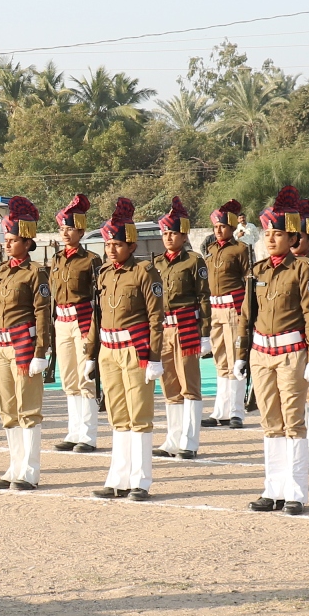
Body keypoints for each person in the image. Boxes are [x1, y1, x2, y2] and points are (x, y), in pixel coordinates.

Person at [246, 189, 309, 514]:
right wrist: (241, 356)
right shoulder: (258, 270)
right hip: (261, 354)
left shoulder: (304, 269)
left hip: (292, 353)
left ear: (292, 235)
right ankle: (273, 488)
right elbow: (246, 316)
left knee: (293, 422)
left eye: (277, 233)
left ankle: (295, 492)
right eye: (267, 233)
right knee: (270, 422)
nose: (271, 239)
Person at [89, 198, 165, 502]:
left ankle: (141, 480)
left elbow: (156, 317)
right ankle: (118, 478)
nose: (111, 248)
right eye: (108, 242)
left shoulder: (145, 272)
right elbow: (97, 315)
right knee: (118, 416)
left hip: (135, 350)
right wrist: (90, 353)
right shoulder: (104, 273)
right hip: (109, 349)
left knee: (140, 416)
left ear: (131, 245)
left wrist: (155, 357)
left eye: (117, 243)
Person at [0, 195, 48, 491]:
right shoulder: (1, 271)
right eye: (5, 239)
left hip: (23, 343)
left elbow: (42, 313)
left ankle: (30, 470)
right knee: (7, 409)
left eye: (11, 239)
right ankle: (14, 466)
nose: (6, 244)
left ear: (26, 242)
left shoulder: (35, 272)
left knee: (28, 408)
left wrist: (41, 351)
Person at [152, 198, 207, 460]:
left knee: (190, 385)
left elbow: (204, 298)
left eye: (173, 232)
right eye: (165, 232)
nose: (168, 237)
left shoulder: (194, 261)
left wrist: (205, 333)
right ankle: (172, 439)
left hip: (186, 326)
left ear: (184, 235)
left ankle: (189, 442)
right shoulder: (156, 263)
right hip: (164, 328)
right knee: (169, 384)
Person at [49, 196, 102, 454]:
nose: (65, 233)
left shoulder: (91, 260)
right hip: (62, 321)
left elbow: (97, 298)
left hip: (83, 322)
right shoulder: (57, 259)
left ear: (81, 230)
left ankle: (88, 435)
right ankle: (74, 431)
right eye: (62, 228)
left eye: (70, 228)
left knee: (86, 379)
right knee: (69, 379)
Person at [203, 201, 252, 429]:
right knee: (220, 360)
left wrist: (246, 312)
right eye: (216, 227)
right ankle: (220, 411)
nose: (218, 230)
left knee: (235, 359)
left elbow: (248, 281)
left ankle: (236, 412)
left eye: (222, 226)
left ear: (232, 228)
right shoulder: (211, 250)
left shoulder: (240, 249)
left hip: (233, 308)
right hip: (215, 309)